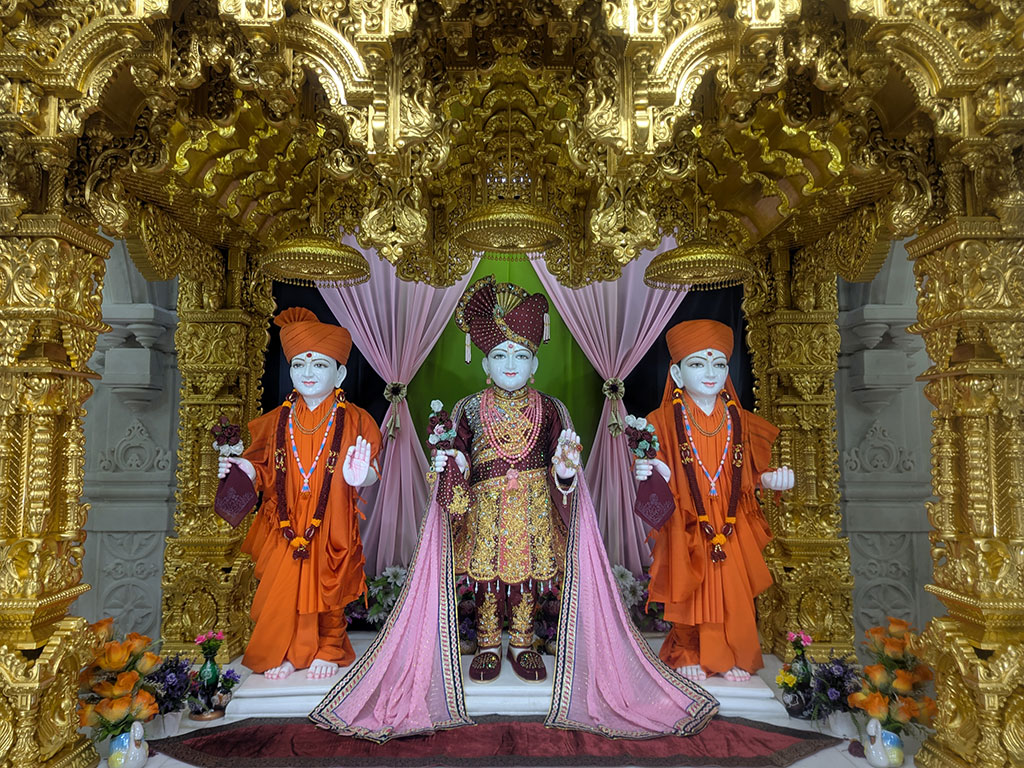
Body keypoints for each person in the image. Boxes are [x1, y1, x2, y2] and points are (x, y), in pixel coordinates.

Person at [311, 276, 718, 742]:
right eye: (501, 356)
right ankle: (487, 643)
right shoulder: (465, 408)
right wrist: (451, 462)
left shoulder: (551, 408)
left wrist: (566, 471)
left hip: (534, 509)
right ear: (485, 363)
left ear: (534, 364)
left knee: (527, 582)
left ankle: (522, 643)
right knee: (484, 581)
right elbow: (454, 460)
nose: (511, 364)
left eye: (521, 356)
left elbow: (567, 469)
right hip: (483, 509)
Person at [218, 307, 381, 681]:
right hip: (285, 518)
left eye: (319, 366)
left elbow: (371, 470)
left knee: (329, 583)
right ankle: (289, 652)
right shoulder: (276, 420)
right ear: (289, 370)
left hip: (331, 518)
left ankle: (328, 648)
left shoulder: (356, 419)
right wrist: (244, 469)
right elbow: (259, 466)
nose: (307, 374)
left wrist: (362, 476)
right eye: (299, 366)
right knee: (282, 586)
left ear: (339, 373)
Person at [634, 319, 794, 683]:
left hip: (730, 518)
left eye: (719, 364)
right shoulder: (659, 420)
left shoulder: (742, 420)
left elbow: (754, 471)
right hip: (686, 518)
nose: (710, 372)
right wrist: (649, 469)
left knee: (733, 586)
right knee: (689, 580)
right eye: (697, 363)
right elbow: (647, 462)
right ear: (676, 372)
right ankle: (688, 650)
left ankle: (735, 653)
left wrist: (770, 478)